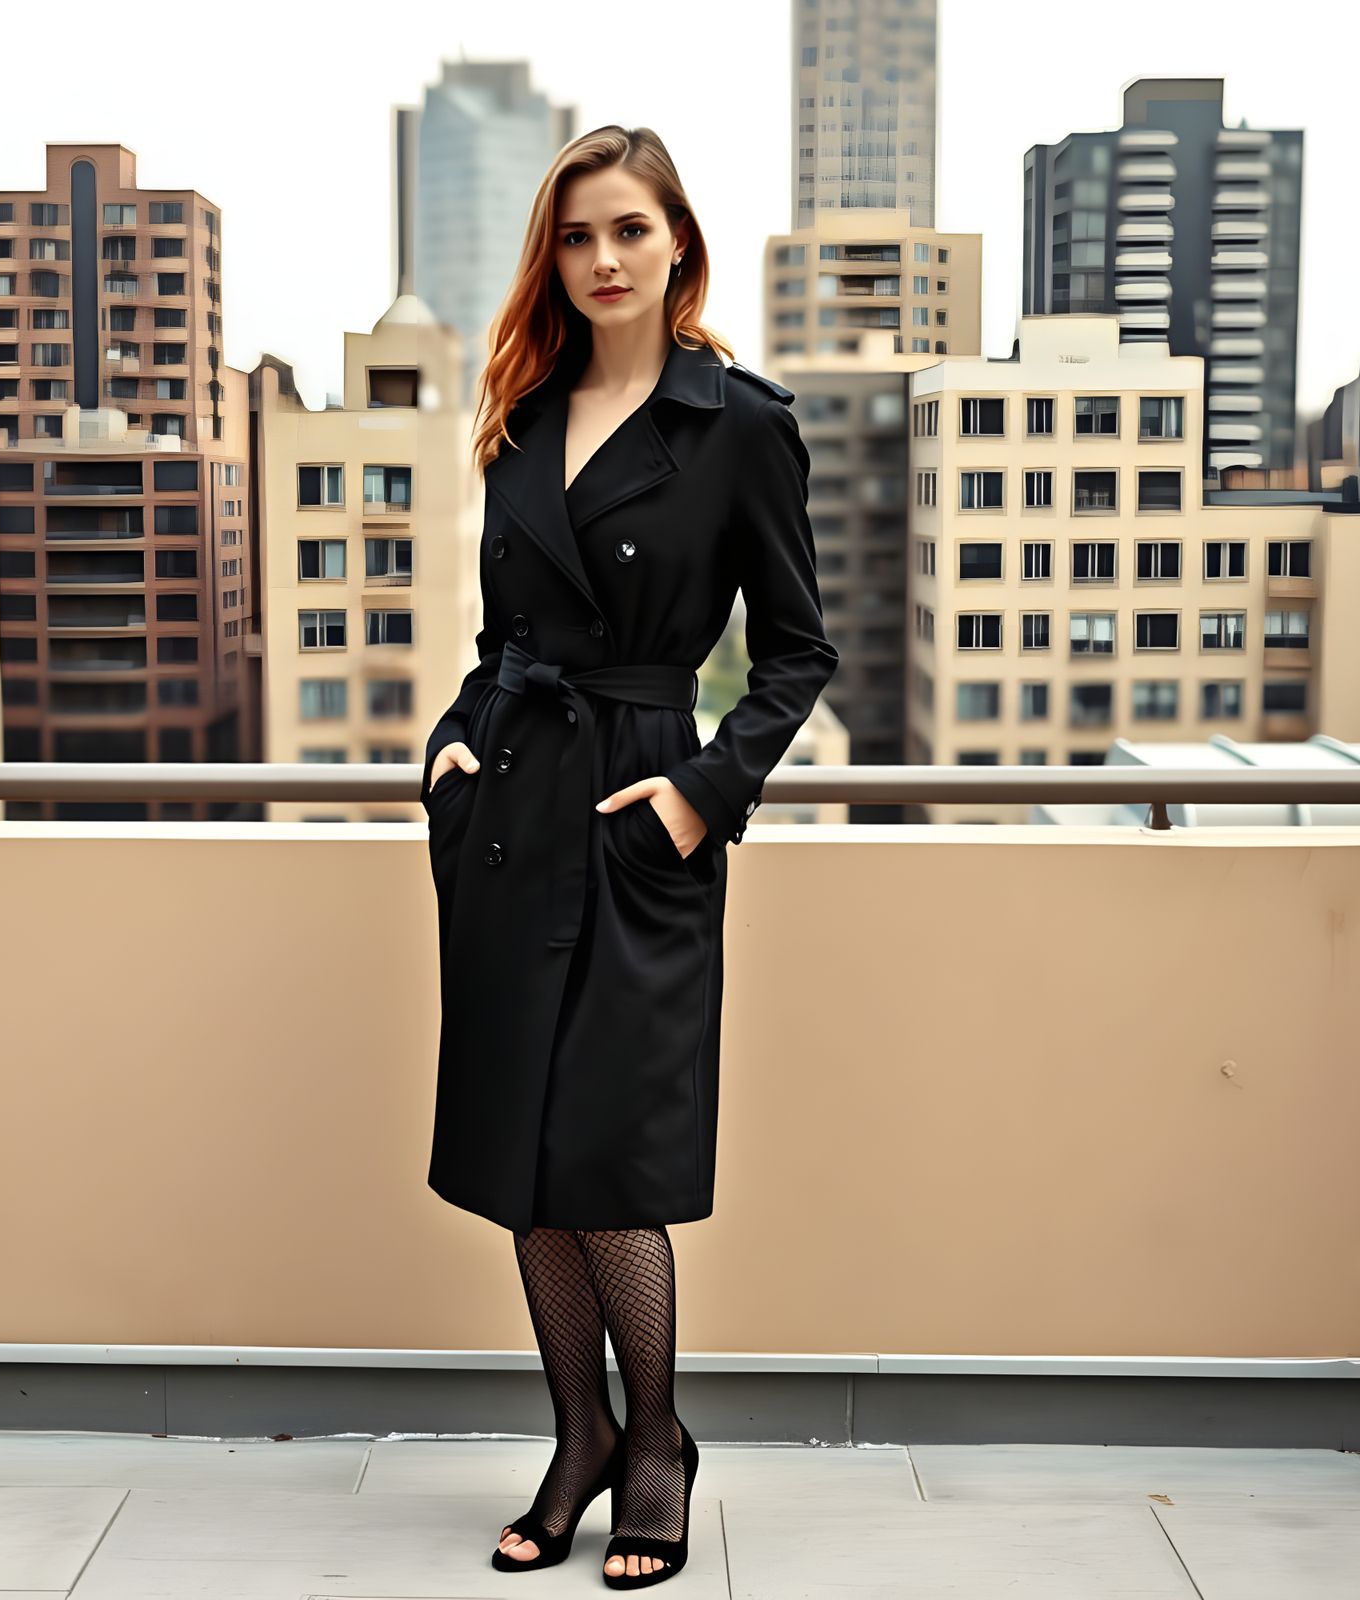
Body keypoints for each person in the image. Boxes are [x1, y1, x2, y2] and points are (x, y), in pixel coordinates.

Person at [421, 125, 839, 1588]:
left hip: (636, 812)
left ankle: (654, 1441)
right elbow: (503, 639)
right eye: (577, 235)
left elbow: (797, 652)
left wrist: (704, 793)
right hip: (506, 809)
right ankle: (578, 1435)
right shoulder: (523, 418)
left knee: (606, 1155)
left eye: (629, 230)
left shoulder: (739, 424)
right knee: (527, 1159)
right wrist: (453, 744)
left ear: (678, 245)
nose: (603, 259)